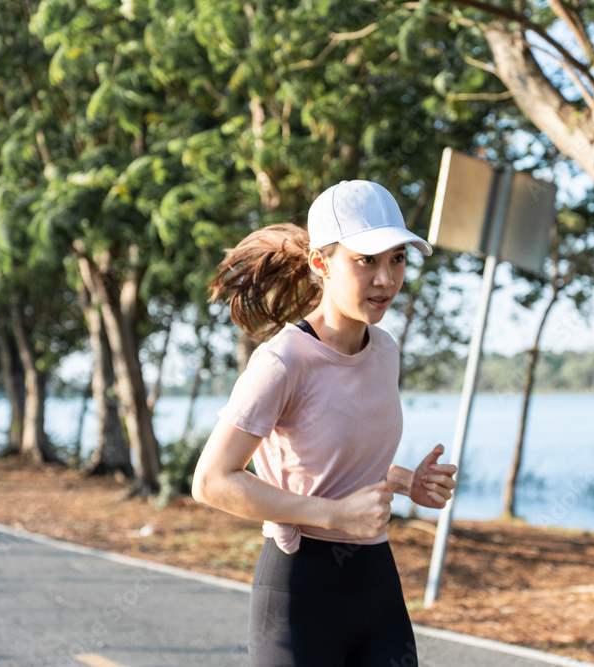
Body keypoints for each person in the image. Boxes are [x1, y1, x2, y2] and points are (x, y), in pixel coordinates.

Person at [193, 179, 458, 666]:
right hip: (299, 591)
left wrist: (407, 483)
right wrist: (333, 515)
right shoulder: (283, 361)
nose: (386, 279)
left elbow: (341, 463)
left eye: (397, 258)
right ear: (322, 263)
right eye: (367, 261)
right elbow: (211, 481)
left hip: (376, 585)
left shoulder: (385, 352)